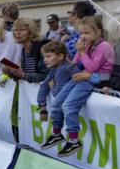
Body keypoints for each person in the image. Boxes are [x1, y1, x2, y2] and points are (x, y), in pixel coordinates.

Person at [42, 17, 114, 156]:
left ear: (98, 32)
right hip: (79, 78)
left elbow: (92, 68)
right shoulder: (87, 46)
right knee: (56, 104)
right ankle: (56, 133)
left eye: (86, 33)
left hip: (93, 80)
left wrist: (81, 52)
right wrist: (71, 58)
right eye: (81, 33)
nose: (83, 37)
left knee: (68, 106)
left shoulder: (104, 46)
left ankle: (74, 140)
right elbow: (74, 66)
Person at [37, 40, 77, 139]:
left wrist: (53, 87)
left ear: (60, 56)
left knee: (57, 108)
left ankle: (59, 134)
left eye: (48, 56)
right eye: (44, 57)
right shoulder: (55, 68)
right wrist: (43, 107)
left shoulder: (63, 70)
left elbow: (59, 94)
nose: (45, 60)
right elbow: (43, 86)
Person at [1, 17, 46, 83]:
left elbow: (45, 76)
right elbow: (25, 76)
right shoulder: (24, 49)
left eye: (22, 30)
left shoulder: (41, 48)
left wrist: (23, 75)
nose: (18, 33)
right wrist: (11, 73)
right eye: (16, 30)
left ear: (31, 32)